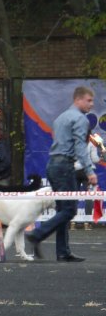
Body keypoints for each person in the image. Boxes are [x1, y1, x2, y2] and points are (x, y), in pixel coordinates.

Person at [26, 86, 98, 262]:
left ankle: (62, 252)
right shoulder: (80, 119)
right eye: (88, 100)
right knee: (69, 209)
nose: (91, 104)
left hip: (52, 165)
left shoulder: (60, 118)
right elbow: (80, 148)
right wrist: (89, 171)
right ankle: (37, 234)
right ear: (78, 99)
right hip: (65, 166)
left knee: (63, 209)